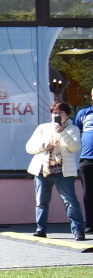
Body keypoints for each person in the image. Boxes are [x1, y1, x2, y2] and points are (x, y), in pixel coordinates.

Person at [25, 101, 85, 240]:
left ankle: (78, 230)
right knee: (41, 201)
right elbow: (29, 147)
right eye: (54, 113)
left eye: (60, 113)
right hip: (43, 170)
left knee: (70, 202)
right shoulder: (43, 128)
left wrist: (62, 132)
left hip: (63, 171)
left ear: (67, 115)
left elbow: (75, 147)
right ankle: (41, 229)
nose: (56, 116)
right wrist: (43, 145)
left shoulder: (72, 129)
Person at [72, 90, 93, 234]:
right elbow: (75, 132)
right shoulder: (84, 113)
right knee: (88, 195)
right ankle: (91, 224)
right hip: (87, 160)